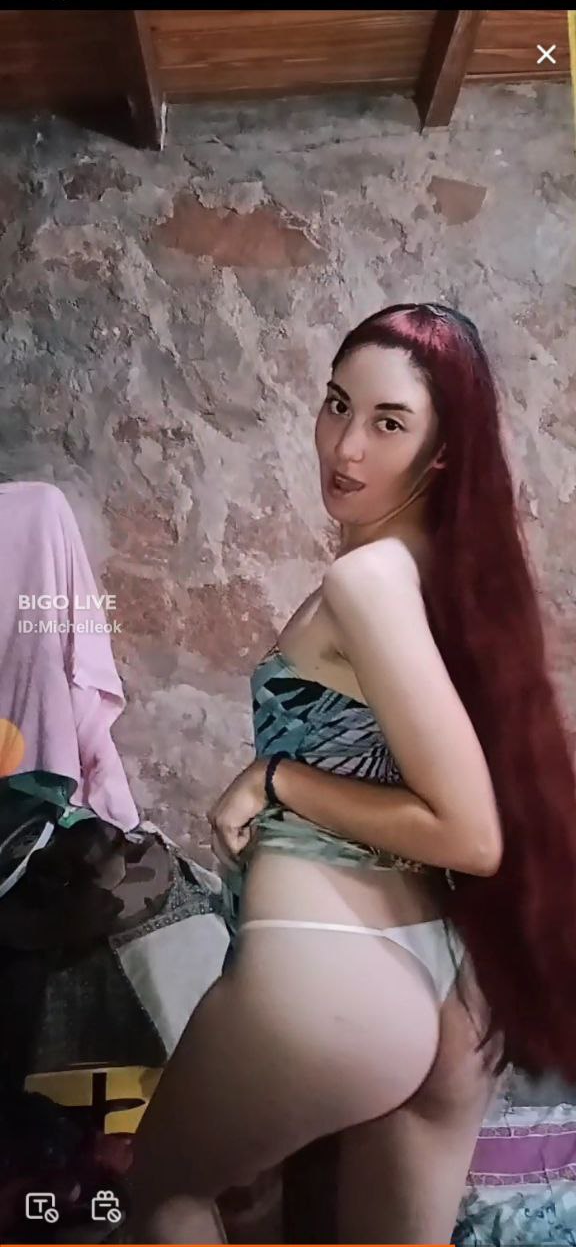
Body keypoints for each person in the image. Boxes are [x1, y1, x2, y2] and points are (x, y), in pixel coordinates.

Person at [128, 303, 576, 1245]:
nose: (346, 446)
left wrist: (276, 780)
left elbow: (472, 835)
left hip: (329, 970)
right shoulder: (443, 574)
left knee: (163, 1196)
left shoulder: (367, 582)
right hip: (440, 989)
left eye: (389, 423)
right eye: (337, 404)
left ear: (441, 451)